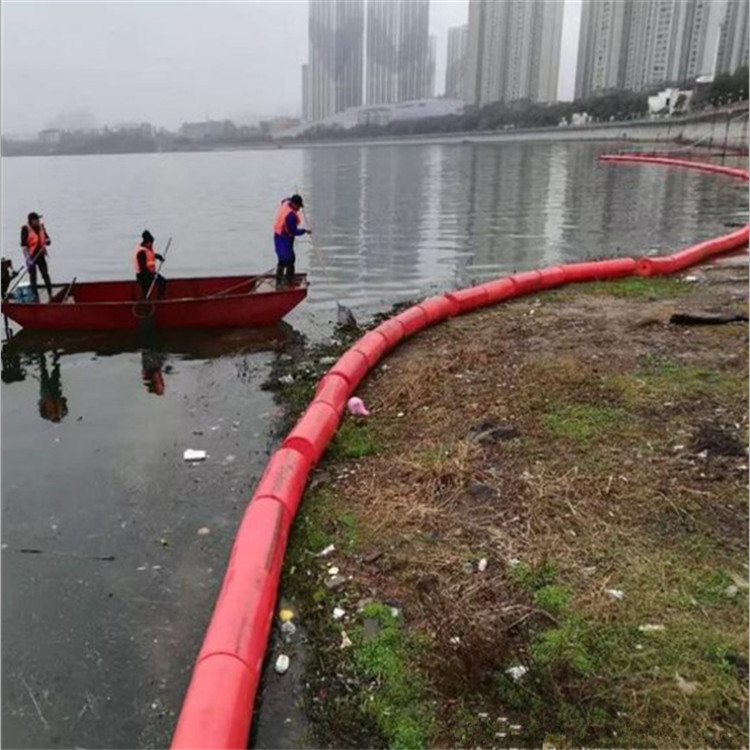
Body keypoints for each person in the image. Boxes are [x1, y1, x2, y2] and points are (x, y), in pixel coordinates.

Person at [272, 194, 310, 287]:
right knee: (284, 260)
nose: (299, 209)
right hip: (283, 238)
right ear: (294, 204)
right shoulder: (291, 216)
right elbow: (294, 231)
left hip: (279, 235)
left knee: (290, 258)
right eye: (298, 206)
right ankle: (280, 282)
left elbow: (285, 199)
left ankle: (289, 278)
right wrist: (305, 231)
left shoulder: (286, 203)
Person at [21, 212, 53, 301]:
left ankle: (50, 293)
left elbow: (48, 239)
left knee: (45, 274)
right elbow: (24, 246)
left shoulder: (41, 227)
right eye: (36, 220)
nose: (38, 221)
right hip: (31, 257)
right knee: (33, 277)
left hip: (41, 255)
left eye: (38, 220)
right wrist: (27, 259)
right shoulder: (25, 229)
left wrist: (47, 240)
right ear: (31, 221)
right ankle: (35, 296)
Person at [134, 230, 166, 299]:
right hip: (143, 275)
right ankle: (154, 301)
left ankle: (159, 298)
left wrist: (159, 257)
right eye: (150, 243)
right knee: (146, 291)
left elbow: (151, 255)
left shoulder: (147, 249)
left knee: (162, 282)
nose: (151, 244)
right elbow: (142, 267)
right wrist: (151, 276)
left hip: (149, 273)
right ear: (146, 242)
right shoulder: (141, 252)